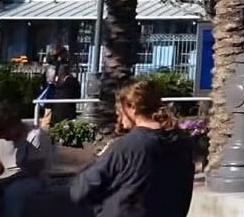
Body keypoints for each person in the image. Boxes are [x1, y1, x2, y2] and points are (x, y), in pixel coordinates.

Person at [70, 81, 193, 217]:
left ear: (131, 107)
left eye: (119, 113)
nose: (120, 120)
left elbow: (82, 189)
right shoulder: (182, 143)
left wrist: (99, 159)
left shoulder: (128, 145)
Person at [0, 115, 50, 217]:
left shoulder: (35, 135)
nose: (1, 136)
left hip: (31, 179)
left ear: (14, 126)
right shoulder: (2, 136)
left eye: (3, 132)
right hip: (7, 178)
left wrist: (2, 181)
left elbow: (33, 170)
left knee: (15, 192)